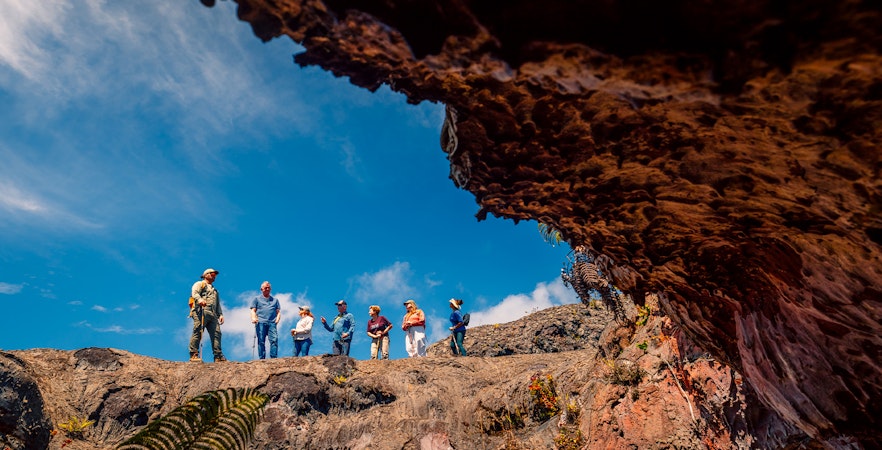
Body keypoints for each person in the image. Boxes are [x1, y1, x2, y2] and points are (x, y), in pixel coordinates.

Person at [189, 268, 226, 362]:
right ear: (206, 275)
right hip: (201, 310)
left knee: (217, 333)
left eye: (215, 275)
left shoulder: (215, 290)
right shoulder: (199, 284)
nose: (214, 276)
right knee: (198, 330)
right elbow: (194, 293)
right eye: (212, 274)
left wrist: (220, 314)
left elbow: (217, 304)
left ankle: (218, 356)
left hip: (213, 313)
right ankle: (194, 354)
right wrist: (200, 299)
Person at [250, 281, 281, 359]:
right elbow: (253, 310)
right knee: (261, 340)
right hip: (260, 322)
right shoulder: (256, 299)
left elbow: (278, 312)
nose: (267, 289)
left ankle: (273, 357)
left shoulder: (275, 300)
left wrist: (277, 320)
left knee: (274, 339)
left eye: (269, 288)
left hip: (272, 322)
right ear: (261, 289)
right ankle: (262, 358)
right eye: (265, 288)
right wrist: (253, 318)